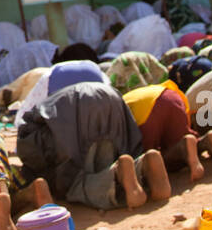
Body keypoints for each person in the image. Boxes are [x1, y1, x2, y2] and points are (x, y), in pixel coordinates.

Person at [17, 81, 172, 212]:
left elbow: (34, 154)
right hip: (109, 98)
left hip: (72, 114)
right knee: (105, 162)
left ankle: (117, 172)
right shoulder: (47, 104)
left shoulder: (29, 127)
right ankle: (144, 163)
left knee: (77, 184)